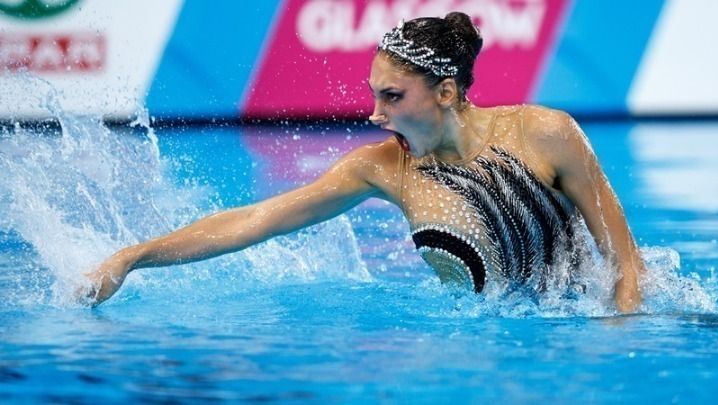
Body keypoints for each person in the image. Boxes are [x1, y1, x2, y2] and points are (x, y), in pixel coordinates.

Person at [81, 12, 644, 312]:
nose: (375, 115)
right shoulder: (381, 169)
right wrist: (133, 257)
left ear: (446, 92)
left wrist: (617, 346)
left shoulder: (546, 134)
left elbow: (627, 266)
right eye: (374, 95)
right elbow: (255, 220)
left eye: (392, 97)